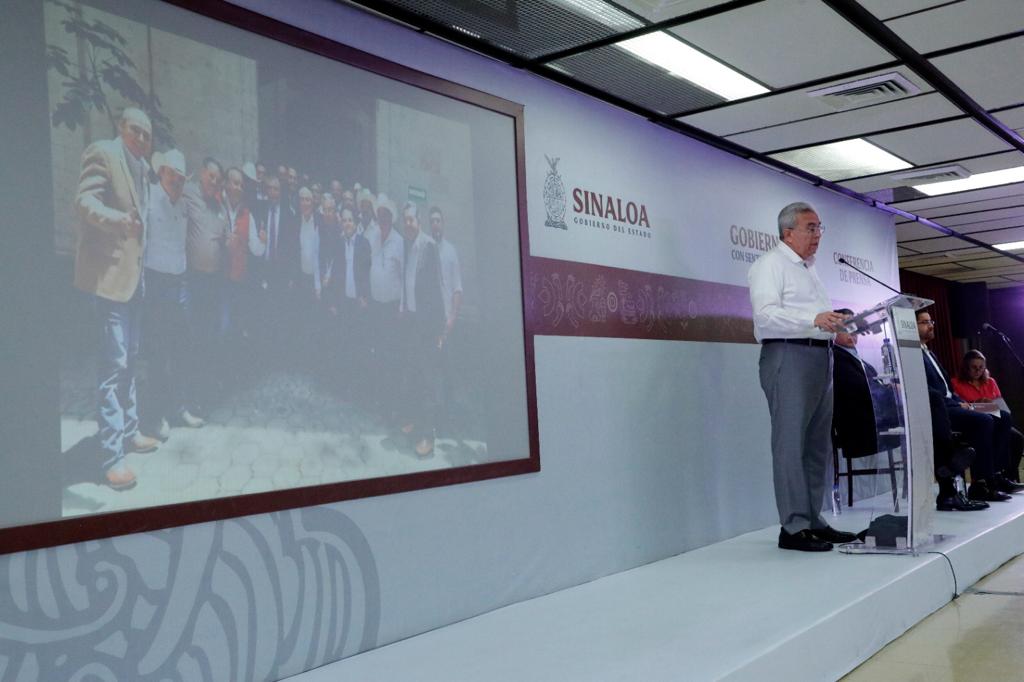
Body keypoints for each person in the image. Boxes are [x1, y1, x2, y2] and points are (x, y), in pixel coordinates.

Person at [748, 201, 856, 552]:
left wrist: (835, 329)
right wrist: (813, 320)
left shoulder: (809, 269)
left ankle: (813, 519)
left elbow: (816, 319)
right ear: (788, 232)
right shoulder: (770, 265)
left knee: (816, 444)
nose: (818, 234)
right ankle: (793, 527)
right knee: (791, 444)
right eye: (811, 228)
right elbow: (765, 317)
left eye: (820, 228)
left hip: (820, 356)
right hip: (788, 357)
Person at [73, 107, 160, 489]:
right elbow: (84, 202)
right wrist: (118, 220)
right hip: (109, 282)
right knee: (114, 365)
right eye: (135, 130)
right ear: (120, 128)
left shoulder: (142, 169)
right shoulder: (103, 153)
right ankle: (111, 458)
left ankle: (129, 432)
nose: (141, 138)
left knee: (130, 361)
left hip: (134, 282)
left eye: (147, 134)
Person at [831, 310, 980, 511]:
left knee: (929, 412)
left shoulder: (856, 357)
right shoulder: (836, 356)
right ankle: (949, 461)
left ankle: (947, 486)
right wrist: (893, 389)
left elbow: (871, 386)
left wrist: (891, 387)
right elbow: (861, 391)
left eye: (855, 328)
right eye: (846, 328)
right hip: (865, 421)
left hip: (881, 412)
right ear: (833, 330)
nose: (853, 333)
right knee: (931, 399)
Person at [917, 310, 1021, 502]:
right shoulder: (914, 355)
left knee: (1002, 415)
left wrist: (961, 401)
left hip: (958, 404)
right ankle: (980, 483)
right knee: (983, 421)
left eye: (931, 321)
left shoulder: (929, 353)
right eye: (924, 322)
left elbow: (948, 390)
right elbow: (930, 391)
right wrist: (960, 403)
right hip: (946, 409)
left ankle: (997, 475)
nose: (930, 325)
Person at [400, 202, 445, 456]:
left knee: (428, 379)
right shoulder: (408, 245)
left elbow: (436, 289)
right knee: (414, 375)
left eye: (411, 219)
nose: (408, 223)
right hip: (412, 322)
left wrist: (439, 330)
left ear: (418, 221)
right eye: (405, 219)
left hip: (427, 326)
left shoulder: (428, 246)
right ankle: (417, 424)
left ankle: (428, 436)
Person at [952, 349, 1024, 483]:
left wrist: (990, 404)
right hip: (974, 420)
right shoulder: (955, 383)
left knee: (1017, 438)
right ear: (966, 367)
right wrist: (977, 404)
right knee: (994, 433)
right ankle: (993, 475)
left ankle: (1009, 476)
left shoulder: (990, 382)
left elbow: (1001, 407)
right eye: (974, 367)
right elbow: (958, 407)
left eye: (981, 367)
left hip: (996, 417)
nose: (978, 371)